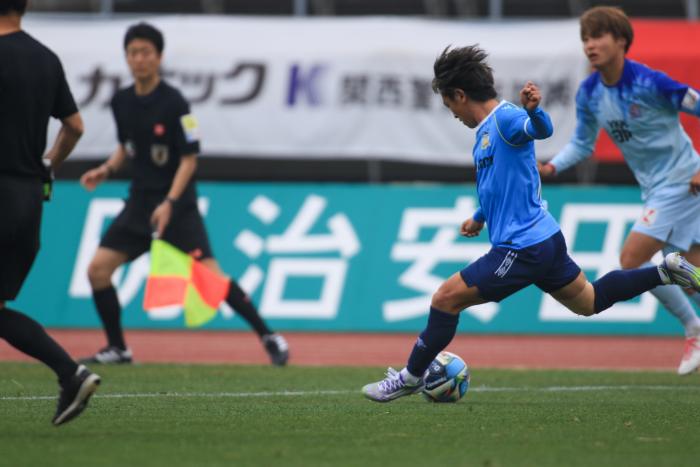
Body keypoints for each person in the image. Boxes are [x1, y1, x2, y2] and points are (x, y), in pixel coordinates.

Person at [362, 45, 700, 402]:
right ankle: (665, 271)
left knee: (445, 298)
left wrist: (535, 112)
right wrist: (479, 217)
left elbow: (541, 129)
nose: (454, 114)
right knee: (590, 300)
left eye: (450, 105)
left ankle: (410, 377)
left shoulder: (506, 118)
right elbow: (500, 186)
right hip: (544, 240)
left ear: (460, 95)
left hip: (522, 247)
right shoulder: (485, 133)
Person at [79, 22, 289, 366]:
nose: (139, 59)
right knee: (98, 270)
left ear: (159, 57)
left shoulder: (175, 102)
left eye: (146, 52)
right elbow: (126, 147)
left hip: (177, 207)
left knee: (213, 279)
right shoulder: (121, 101)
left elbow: (189, 160)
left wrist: (170, 203)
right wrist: (107, 169)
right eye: (133, 53)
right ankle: (118, 348)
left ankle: (269, 336)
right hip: (139, 204)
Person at [540, 6, 700, 375]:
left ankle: (693, 328)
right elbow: (582, 143)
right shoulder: (589, 92)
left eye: (598, 37)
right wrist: (552, 166)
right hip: (657, 190)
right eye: (585, 38)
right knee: (691, 273)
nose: (590, 45)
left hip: (682, 182)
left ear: (622, 41)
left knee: (631, 260)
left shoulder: (651, 83)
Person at [0, 0, 100, 425]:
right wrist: (48, 163)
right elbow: (75, 126)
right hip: (28, 199)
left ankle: (69, 371)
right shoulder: (46, 57)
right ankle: (70, 373)